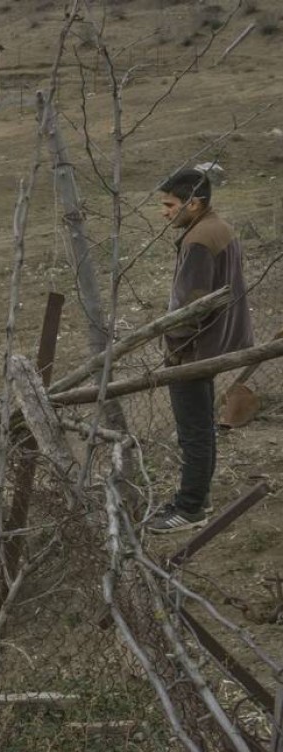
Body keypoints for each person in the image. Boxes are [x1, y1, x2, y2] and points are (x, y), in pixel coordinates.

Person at [146, 168, 253, 533]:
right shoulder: (217, 226)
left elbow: (193, 307)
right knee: (202, 427)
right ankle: (199, 498)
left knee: (193, 430)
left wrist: (174, 346)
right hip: (217, 342)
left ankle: (190, 509)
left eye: (169, 204)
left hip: (194, 350)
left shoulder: (198, 241)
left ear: (194, 203)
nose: (164, 212)